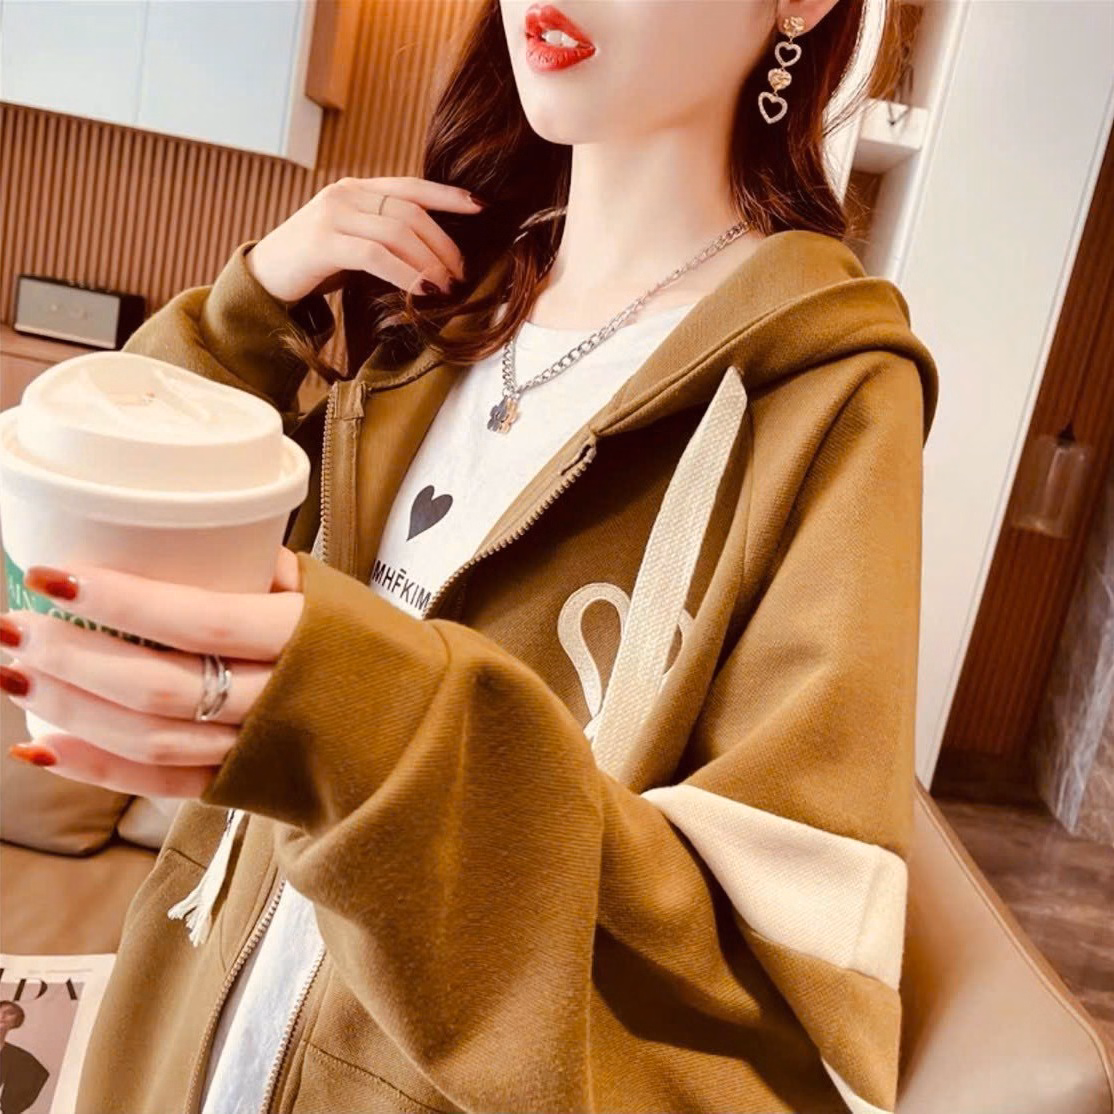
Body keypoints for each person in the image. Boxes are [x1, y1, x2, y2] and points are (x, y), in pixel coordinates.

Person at [0, 1, 939, 1111]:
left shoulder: (831, 399)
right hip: (181, 1053)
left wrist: (373, 718)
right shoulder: (440, 310)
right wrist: (251, 309)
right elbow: (94, 568)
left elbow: (779, 1014)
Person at [0, 1002, 49, 1114]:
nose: (2, 1016)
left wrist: (10, 1109)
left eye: (9, 1013)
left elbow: (40, 1075)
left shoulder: (20, 1058)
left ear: (15, 1021)